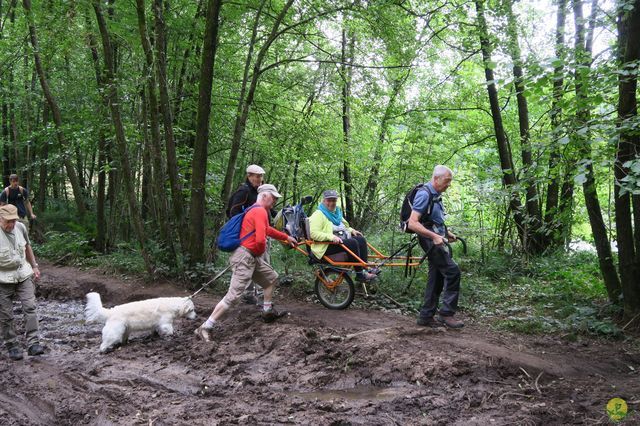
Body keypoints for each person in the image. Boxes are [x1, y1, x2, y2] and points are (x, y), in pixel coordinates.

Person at [194, 184, 297, 342]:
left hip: (250, 256)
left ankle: (267, 311)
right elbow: (261, 240)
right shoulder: (260, 211)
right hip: (245, 257)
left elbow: (267, 230)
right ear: (264, 196)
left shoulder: (257, 211)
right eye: (273, 197)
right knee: (233, 296)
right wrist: (260, 251)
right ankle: (205, 326)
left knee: (271, 278)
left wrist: (285, 237)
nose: (275, 200)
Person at [408, 165, 463, 329]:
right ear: (436, 178)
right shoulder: (425, 194)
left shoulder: (435, 194)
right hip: (429, 240)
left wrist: (446, 233)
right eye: (447, 181)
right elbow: (413, 223)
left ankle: (426, 315)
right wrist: (434, 237)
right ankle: (446, 314)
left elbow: (433, 219)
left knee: (437, 276)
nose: (449, 185)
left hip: (436, 238)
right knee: (452, 271)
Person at [226, 164, 276, 305]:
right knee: (250, 263)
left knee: (262, 263)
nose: (259, 179)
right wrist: (247, 228)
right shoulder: (244, 191)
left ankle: (259, 293)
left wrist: (277, 215)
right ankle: (248, 294)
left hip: (262, 232)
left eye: (261, 176)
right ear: (249, 176)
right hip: (248, 237)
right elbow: (233, 212)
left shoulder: (260, 191)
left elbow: (268, 209)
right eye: (257, 176)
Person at [0, 204, 44, 360]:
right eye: (8, 221)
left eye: (13, 220)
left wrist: (34, 266)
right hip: (3, 278)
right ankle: (12, 345)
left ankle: (34, 343)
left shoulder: (20, 227)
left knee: (30, 307)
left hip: (23, 273)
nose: (11, 224)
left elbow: (27, 248)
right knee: (6, 315)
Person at [308, 190, 376, 282]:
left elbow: (342, 227)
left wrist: (352, 230)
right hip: (324, 246)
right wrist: (331, 237)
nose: (332, 203)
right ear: (323, 201)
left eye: (334, 200)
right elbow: (313, 233)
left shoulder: (336, 213)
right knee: (353, 243)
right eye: (329, 200)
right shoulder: (318, 214)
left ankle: (365, 266)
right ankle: (360, 274)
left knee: (361, 239)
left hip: (336, 241)